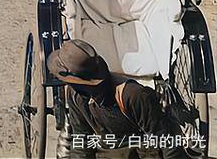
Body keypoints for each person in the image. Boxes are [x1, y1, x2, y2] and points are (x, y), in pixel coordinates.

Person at [48, 39, 187, 159]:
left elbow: (167, 141)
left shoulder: (134, 96)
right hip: (106, 150)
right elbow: (81, 138)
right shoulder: (75, 94)